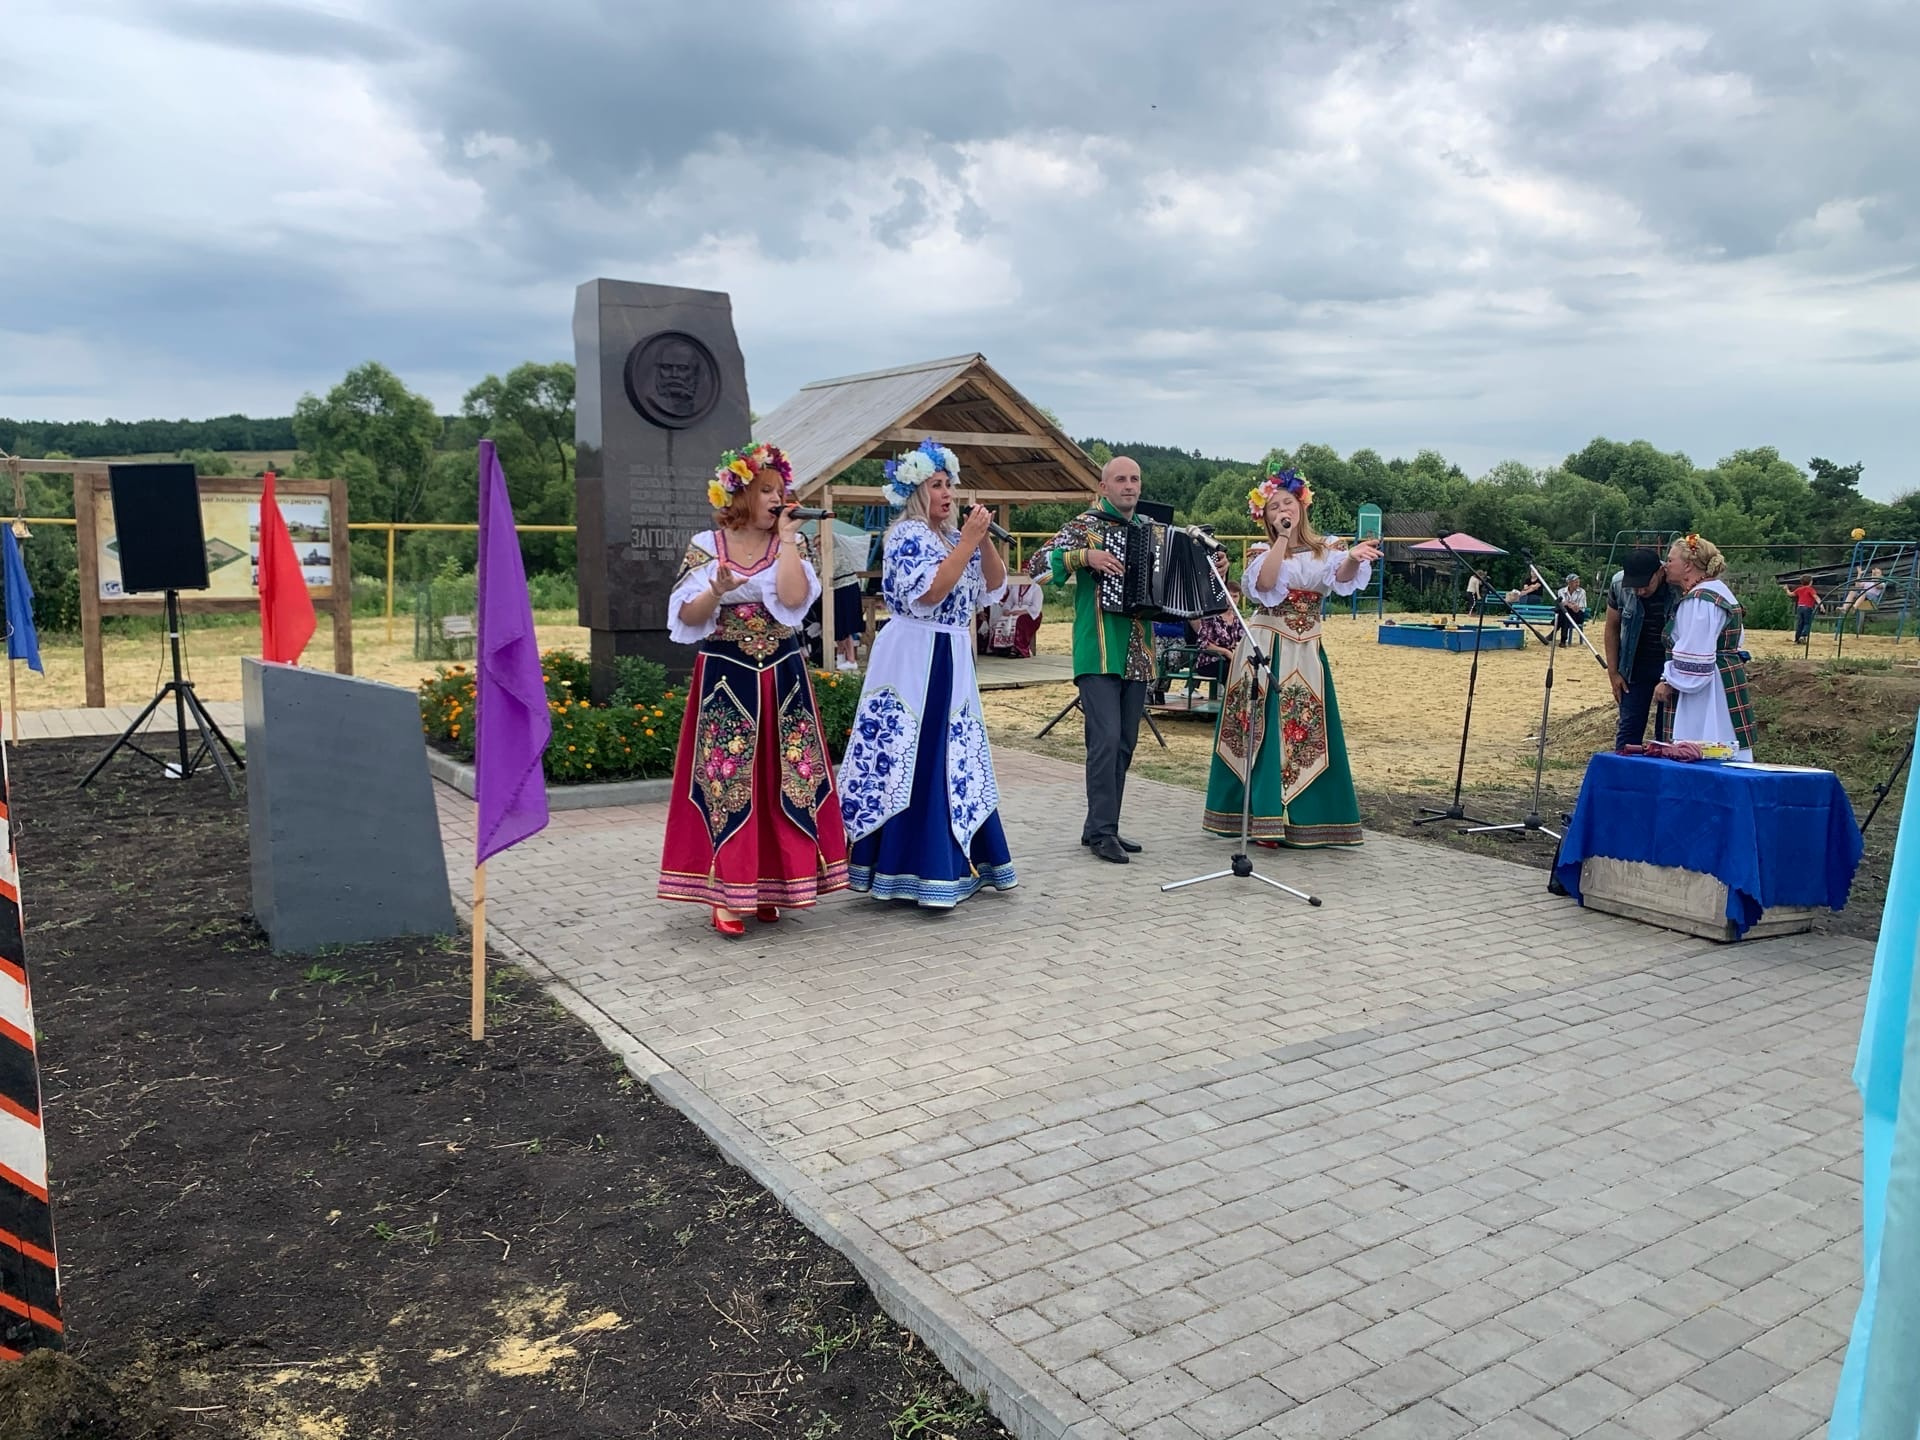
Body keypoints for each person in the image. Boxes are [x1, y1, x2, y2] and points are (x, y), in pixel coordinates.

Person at [657, 443, 851, 936]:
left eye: (780, 491)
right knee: (727, 782)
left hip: (783, 676)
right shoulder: (706, 545)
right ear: (740, 493)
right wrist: (716, 591)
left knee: (786, 779)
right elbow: (688, 618)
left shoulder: (792, 545)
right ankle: (727, 892)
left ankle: (772, 886)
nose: (777, 499)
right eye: (767, 490)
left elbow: (793, 599)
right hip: (727, 678)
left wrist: (787, 540)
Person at [838, 440, 1017, 907]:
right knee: (911, 752)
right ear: (918, 492)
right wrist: (969, 543)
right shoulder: (906, 535)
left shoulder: (956, 537)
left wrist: (983, 540)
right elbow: (932, 592)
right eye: (937, 485)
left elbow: (994, 585)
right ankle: (903, 864)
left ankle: (956, 862)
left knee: (954, 751)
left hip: (952, 652)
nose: (947, 493)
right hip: (915, 654)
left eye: (949, 485)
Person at [1202, 468, 1379, 848]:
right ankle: (1263, 819)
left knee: (1306, 728)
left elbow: (1342, 577)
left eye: (1288, 503)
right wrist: (1281, 540)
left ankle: (1309, 821)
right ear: (1265, 517)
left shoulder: (1327, 548)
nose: (1283, 510)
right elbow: (1265, 585)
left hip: (1307, 648)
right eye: (1274, 507)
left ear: (1302, 506)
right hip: (1267, 645)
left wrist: (1352, 556)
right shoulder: (1263, 551)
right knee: (1264, 731)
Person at [1027, 456, 1155, 864]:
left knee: (1125, 743)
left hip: (1138, 652)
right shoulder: (1084, 526)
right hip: (1097, 651)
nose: (1129, 486)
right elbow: (1035, 567)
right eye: (1120, 479)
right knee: (1104, 741)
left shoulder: (1150, 529)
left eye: (1134, 479)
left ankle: (1101, 825)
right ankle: (1102, 833)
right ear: (1103, 487)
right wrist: (1084, 558)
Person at [1654, 533, 1755, 760]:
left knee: (1703, 740)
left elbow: (1695, 653)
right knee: (1723, 739)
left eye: (1670, 560)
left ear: (1688, 566)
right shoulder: (1717, 590)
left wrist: (1668, 681)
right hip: (1721, 675)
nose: (1665, 565)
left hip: (1707, 688)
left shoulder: (1699, 599)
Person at [1604, 546, 1673, 750]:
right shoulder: (1618, 584)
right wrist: (1613, 673)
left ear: (1660, 572)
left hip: (1670, 669)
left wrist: (1673, 677)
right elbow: (1612, 628)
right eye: (1634, 587)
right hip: (1634, 668)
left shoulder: (1678, 587)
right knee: (1628, 732)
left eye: (1645, 585)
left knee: (1666, 735)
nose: (1640, 591)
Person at [829, 526, 868, 671]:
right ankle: (841, 655)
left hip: (847, 587)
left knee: (846, 624)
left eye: (819, 544)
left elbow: (829, 571)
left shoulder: (836, 553)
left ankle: (851, 658)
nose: (817, 547)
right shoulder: (826, 554)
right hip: (836, 588)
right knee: (838, 624)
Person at [1556, 573, 1588, 646]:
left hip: (1578, 615)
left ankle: (1555, 633)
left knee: (1564, 612)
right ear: (1569, 583)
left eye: (1578, 582)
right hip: (1566, 615)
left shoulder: (1582, 592)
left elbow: (1578, 608)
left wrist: (1568, 604)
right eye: (1576, 582)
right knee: (1566, 614)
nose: (1578, 584)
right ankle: (1563, 640)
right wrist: (1570, 605)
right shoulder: (1561, 591)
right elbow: (1563, 603)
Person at [1788, 573, 1820, 644]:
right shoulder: (1810, 589)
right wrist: (1820, 604)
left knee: (1800, 624)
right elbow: (1815, 597)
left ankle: (1797, 639)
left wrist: (1786, 589)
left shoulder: (1799, 589)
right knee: (1807, 623)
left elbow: (1790, 594)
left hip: (1800, 607)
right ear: (1810, 582)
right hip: (1807, 607)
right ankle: (1803, 635)